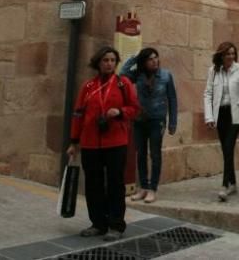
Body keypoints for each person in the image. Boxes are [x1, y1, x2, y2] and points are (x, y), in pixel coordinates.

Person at [66, 46, 141, 241]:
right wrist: (74, 141)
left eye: (112, 60)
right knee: (93, 184)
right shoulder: (88, 87)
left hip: (116, 142)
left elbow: (135, 108)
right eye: (105, 60)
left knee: (116, 184)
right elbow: (78, 114)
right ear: (98, 63)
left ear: (116, 64)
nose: (109, 64)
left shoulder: (123, 83)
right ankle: (98, 223)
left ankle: (116, 225)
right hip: (90, 143)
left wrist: (120, 112)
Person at [120, 47, 177, 204]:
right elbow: (122, 75)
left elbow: (172, 99)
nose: (154, 61)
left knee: (155, 154)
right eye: (150, 59)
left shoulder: (166, 75)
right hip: (140, 120)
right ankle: (143, 187)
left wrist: (173, 122)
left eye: (156, 58)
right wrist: (135, 57)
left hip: (157, 121)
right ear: (144, 62)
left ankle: (153, 189)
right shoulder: (138, 75)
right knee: (141, 154)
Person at [203, 41, 239, 201]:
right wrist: (209, 116)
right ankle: (233, 183)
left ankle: (224, 186)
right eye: (227, 54)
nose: (231, 56)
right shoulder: (213, 71)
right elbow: (208, 93)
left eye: (233, 53)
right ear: (221, 55)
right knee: (225, 149)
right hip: (220, 114)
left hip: (235, 114)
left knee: (229, 147)